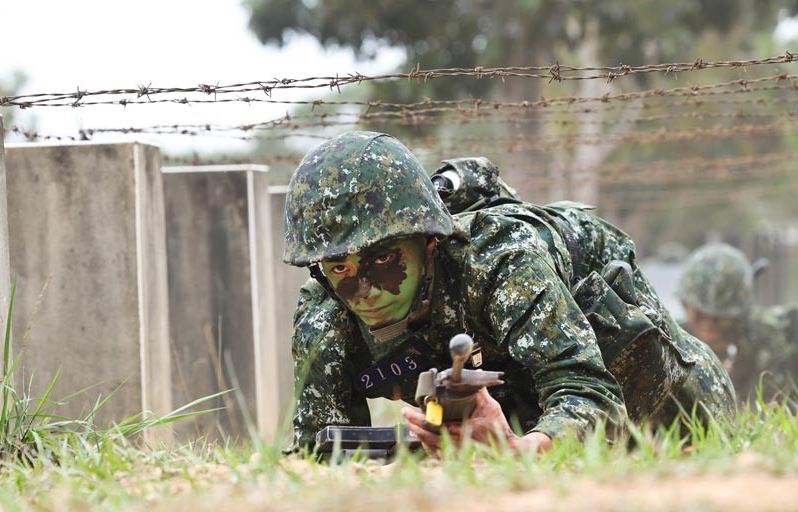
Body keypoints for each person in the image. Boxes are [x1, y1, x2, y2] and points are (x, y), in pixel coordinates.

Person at [284, 132, 735, 454]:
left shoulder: (500, 258)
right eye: (339, 267)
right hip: (518, 411)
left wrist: (529, 450)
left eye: (384, 260)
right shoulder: (325, 315)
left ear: (429, 241)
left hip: (673, 410)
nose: (362, 290)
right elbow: (323, 453)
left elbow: (589, 390)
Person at [677, 243, 798, 408]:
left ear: (739, 312)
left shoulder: (770, 338)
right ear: (686, 305)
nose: (710, 325)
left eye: (722, 317)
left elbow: (772, 411)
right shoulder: (674, 340)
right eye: (700, 314)